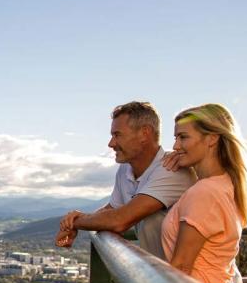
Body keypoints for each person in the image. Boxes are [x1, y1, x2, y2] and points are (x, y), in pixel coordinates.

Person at [56, 101, 194, 258]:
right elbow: (112, 210)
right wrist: (75, 221)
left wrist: (76, 222)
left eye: (117, 135)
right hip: (161, 274)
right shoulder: (125, 169)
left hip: (186, 279)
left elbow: (120, 219)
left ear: (144, 133)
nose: (111, 143)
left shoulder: (171, 169)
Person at [159, 103, 247, 283]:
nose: (175, 146)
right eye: (176, 138)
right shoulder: (224, 184)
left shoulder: (204, 193)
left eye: (183, 137)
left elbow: (181, 266)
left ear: (212, 138)